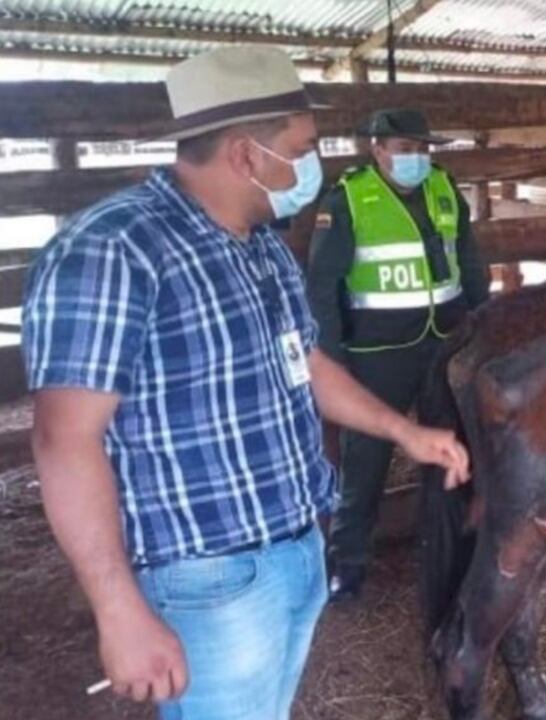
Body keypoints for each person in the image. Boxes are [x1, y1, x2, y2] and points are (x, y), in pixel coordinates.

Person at [22, 47, 470, 720]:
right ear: (244, 155)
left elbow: (308, 363)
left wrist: (404, 431)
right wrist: (118, 609)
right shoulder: (112, 251)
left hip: (294, 544)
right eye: (303, 147)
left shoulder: (261, 245)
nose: (312, 166)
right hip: (206, 579)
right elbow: (64, 440)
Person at [306, 109, 490, 602]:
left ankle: (453, 547)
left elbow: (468, 259)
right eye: (406, 150)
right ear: (379, 150)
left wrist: (484, 320)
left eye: (423, 150)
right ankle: (349, 562)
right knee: (365, 459)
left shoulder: (445, 189)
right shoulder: (348, 199)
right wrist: (332, 356)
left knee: (452, 447)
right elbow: (322, 284)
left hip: (446, 343)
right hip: (378, 351)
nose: (416, 159)